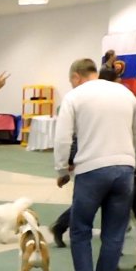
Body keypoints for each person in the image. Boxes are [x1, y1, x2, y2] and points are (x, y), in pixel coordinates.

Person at [53, 58, 136, 271]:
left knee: (80, 229)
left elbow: (63, 138)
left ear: (76, 77)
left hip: (91, 169)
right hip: (124, 168)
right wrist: (128, 157)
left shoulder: (75, 97)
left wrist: (62, 169)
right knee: (114, 233)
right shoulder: (125, 92)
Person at [50, 67, 123, 248]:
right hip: (92, 161)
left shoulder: (112, 101)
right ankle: (61, 225)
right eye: (117, 80)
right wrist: (69, 162)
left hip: (109, 161)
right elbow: (74, 135)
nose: (120, 83)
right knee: (91, 202)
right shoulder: (86, 100)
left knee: (96, 200)